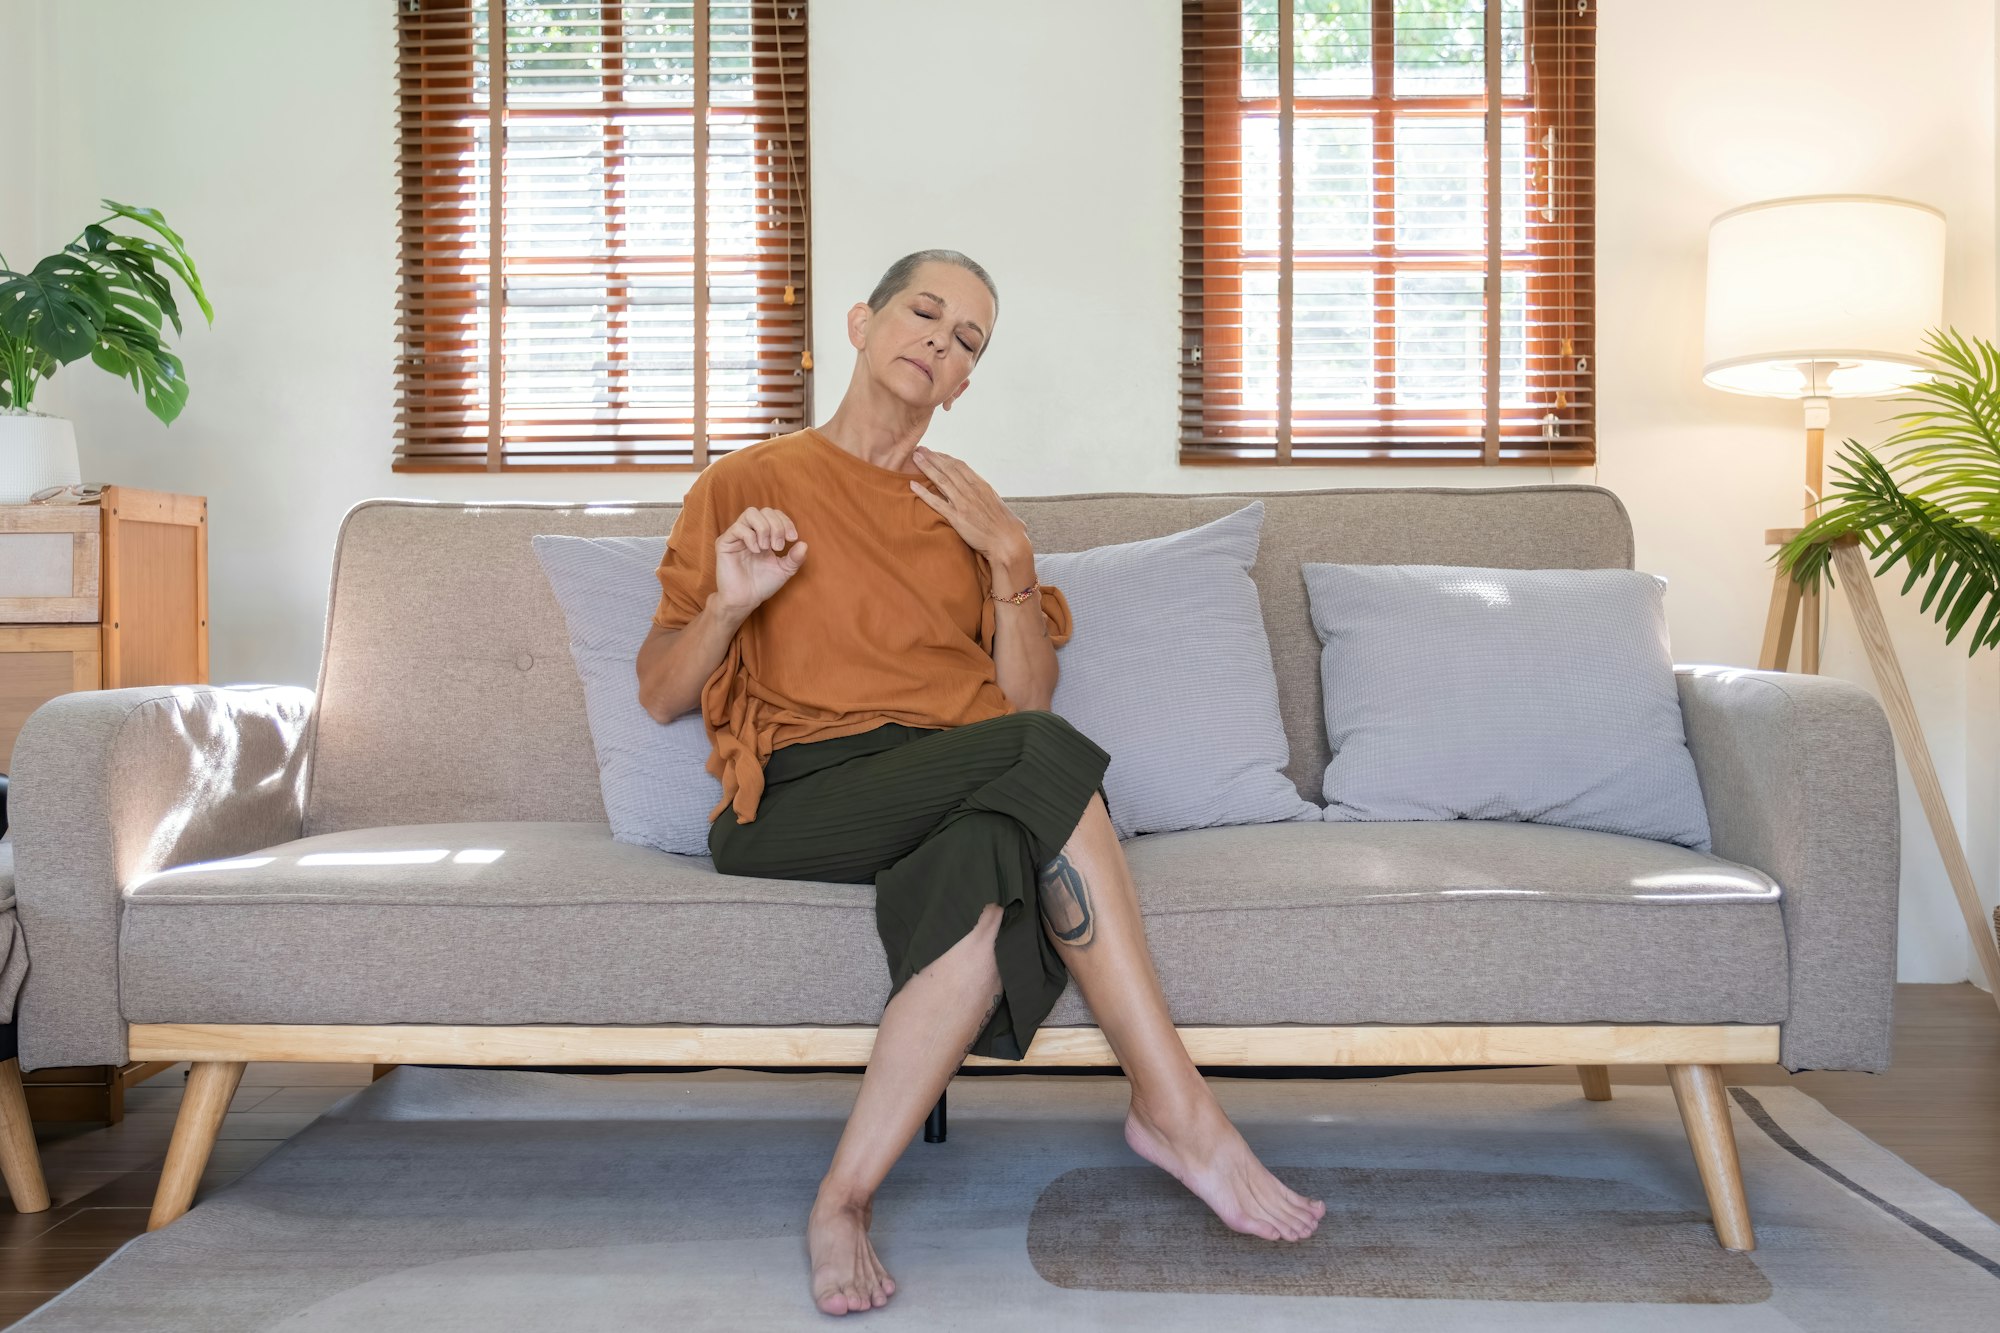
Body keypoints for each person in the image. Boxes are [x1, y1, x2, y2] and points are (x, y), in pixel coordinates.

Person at [636, 250, 1324, 1317]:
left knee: (985, 874)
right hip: (801, 793)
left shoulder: (965, 504)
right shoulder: (747, 481)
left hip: (960, 781)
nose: (939, 342)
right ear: (860, 324)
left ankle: (843, 1199)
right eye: (924, 313)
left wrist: (1009, 566)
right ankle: (1177, 1109)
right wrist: (729, 604)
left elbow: (1022, 697)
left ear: (963, 385)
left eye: (966, 342)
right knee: (1040, 763)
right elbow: (660, 693)